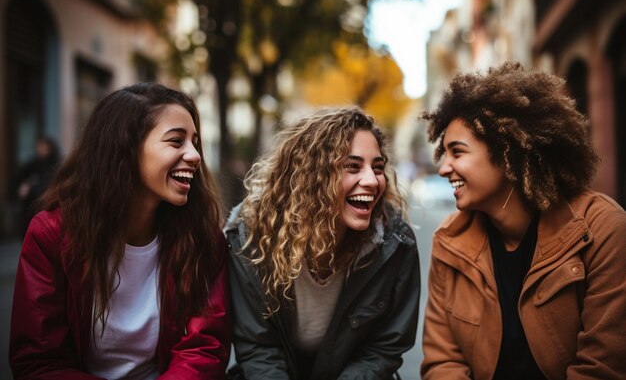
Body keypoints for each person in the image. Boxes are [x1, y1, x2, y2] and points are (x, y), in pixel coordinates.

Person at [419, 62, 626, 380]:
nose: (444, 167)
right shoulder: (449, 241)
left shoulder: (602, 229)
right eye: (444, 154)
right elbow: (442, 362)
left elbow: (602, 368)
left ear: (506, 153)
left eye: (457, 152)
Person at [9, 83, 230, 379]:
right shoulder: (51, 235)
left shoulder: (202, 237)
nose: (195, 155)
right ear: (126, 147)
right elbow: (40, 361)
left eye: (195, 142)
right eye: (176, 141)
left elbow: (204, 348)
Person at [225, 107, 420, 380]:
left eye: (377, 167)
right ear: (311, 176)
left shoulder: (395, 243)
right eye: (352, 166)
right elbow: (258, 349)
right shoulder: (251, 240)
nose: (372, 180)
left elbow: (384, 348)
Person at [14, 136, 61, 236]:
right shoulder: (31, 165)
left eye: (45, 146)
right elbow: (18, 181)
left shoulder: (56, 164)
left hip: (47, 206)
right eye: (40, 146)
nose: (42, 149)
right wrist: (23, 186)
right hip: (30, 206)